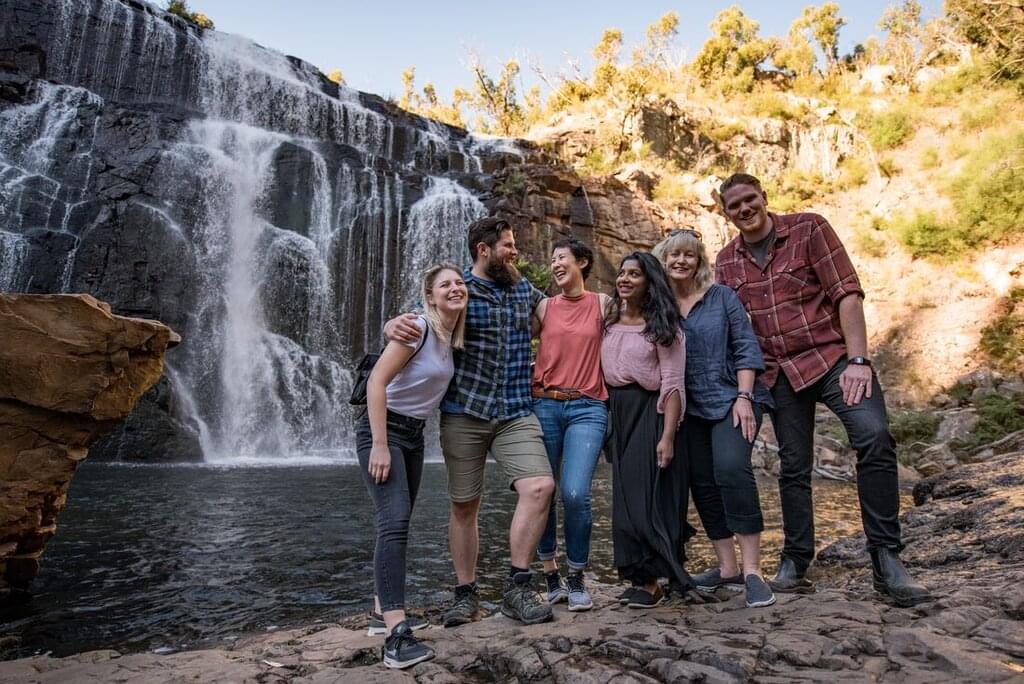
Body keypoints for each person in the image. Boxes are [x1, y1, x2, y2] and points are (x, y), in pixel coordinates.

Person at [715, 173, 931, 606]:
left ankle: (886, 558)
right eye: (734, 205)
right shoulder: (726, 261)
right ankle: (795, 562)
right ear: (726, 213)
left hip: (832, 359)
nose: (744, 209)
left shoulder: (809, 228)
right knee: (793, 466)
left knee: (874, 437)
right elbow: (735, 329)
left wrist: (858, 361)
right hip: (778, 374)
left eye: (750, 199)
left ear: (764, 197)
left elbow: (847, 293)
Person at [385, 217, 556, 626]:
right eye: (508, 245)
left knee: (540, 487)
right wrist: (390, 325)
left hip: (516, 410)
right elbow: (421, 321)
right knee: (464, 505)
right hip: (465, 411)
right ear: (484, 249)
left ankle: (517, 587)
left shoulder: (522, 289)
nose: (515, 252)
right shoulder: (458, 290)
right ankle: (466, 594)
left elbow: (564, 309)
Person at [653, 229, 775, 609]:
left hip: (731, 398)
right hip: (688, 409)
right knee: (701, 482)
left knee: (731, 468)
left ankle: (753, 570)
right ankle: (727, 568)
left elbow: (746, 347)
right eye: (674, 254)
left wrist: (744, 397)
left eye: (689, 255)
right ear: (663, 260)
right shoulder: (659, 305)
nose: (681, 261)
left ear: (699, 262)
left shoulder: (722, 297)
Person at [357, 264, 468, 669]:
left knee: (397, 520)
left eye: (459, 282)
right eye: (445, 284)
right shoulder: (418, 328)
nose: (455, 288)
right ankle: (395, 637)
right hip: (384, 432)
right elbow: (376, 382)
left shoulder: (451, 337)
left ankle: (379, 611)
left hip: (414, 436)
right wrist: (380, 445)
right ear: (430, 296)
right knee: (394, 521)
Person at [601, 252, 691, 608]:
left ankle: (655, 581)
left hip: (649, 412)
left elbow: (673, 383)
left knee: (642, 500)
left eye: (634, 274)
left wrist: (667, 436)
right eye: (622, 273)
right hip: (616, 412)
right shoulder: (609, 320)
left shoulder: (664, 327)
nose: (624, 279)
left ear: (649, 282)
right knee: (624, 500)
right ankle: (640, 576)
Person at [531, 238, 613, 612]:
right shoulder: (544, 307)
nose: (555, 264)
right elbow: (509, 339)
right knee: (542, 492)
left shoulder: (603, 304)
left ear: (582, 262)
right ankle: (551, 574)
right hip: (544, 404)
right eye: (552, 259)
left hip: (588, 406)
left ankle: (577, 575)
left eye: (561, 257)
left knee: (576, 493)